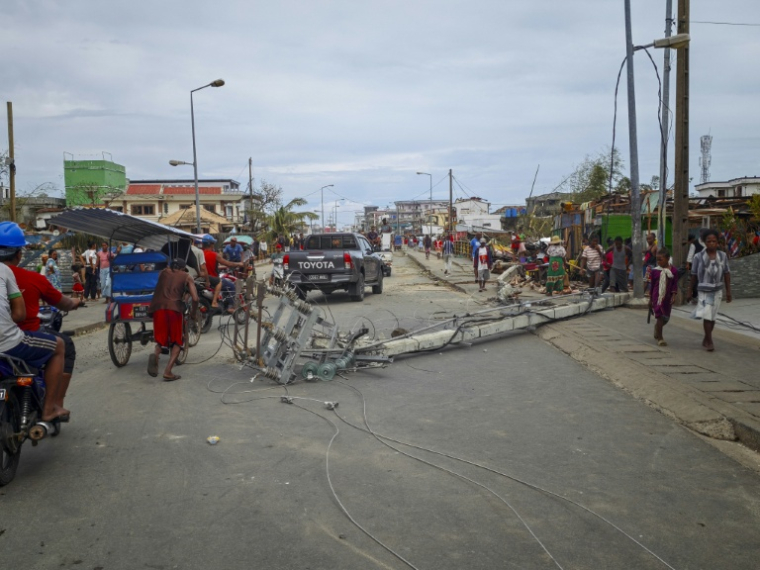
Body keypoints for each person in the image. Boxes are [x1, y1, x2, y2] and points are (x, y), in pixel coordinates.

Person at [2, 240, 84, 412]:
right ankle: (53, 406)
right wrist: (75, 302)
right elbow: (20, 315)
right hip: (19, 336)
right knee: (63, 345)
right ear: (19, 254)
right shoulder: (24, 276)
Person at [147, 258, 198, 381]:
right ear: (181, 268)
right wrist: (193, 314)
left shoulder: (163, 272)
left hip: (158, 308)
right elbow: (195, 299)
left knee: (160, 340)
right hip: (174, 309)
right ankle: (168, 371)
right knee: (177, 341)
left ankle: (156, 354)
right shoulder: (187, 276)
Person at [688, 229, 732, 352]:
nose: (712, 243)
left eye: (714, 241)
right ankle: (710, 340)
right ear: (704, 242)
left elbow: (727, 273)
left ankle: (706, 338)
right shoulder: (698, 257)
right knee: (707, 315)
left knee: (713, 317)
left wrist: (729, 291)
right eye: (709, 241)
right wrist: (689, 291)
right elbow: (693, 275)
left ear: (718, 242)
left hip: (718, 291)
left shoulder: (722, 256)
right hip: (703, 291)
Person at [201, 234, 243, 311]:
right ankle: (230, 306)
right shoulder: (214, 255)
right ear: (211, 244)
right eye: (213, 243)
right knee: (231, 287)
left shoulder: (200, 253)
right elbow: (228, 263)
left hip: (202, 278)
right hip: (213, 278)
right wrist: (239, 264)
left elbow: (207, 265)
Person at [648, 248, 678, 347]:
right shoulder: (655, 271)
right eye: (657, 260)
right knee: (660, 316)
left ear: (668, 258)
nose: (659, 262)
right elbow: (652, 286)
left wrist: (673, 295)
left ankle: (657, 328)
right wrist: (650, 299)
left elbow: (674, 284)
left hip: (667, 297)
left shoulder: (673, 271)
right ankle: (660, 338)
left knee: (666, 317)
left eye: (661, 259)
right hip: (658, 297)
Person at [686, 231, 705, 304]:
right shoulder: (704, 244)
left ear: (690, 240)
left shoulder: (693, 244)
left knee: (694, 281)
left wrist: (688, 264)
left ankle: (695, 297)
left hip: (696, 266)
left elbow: (690, 255)